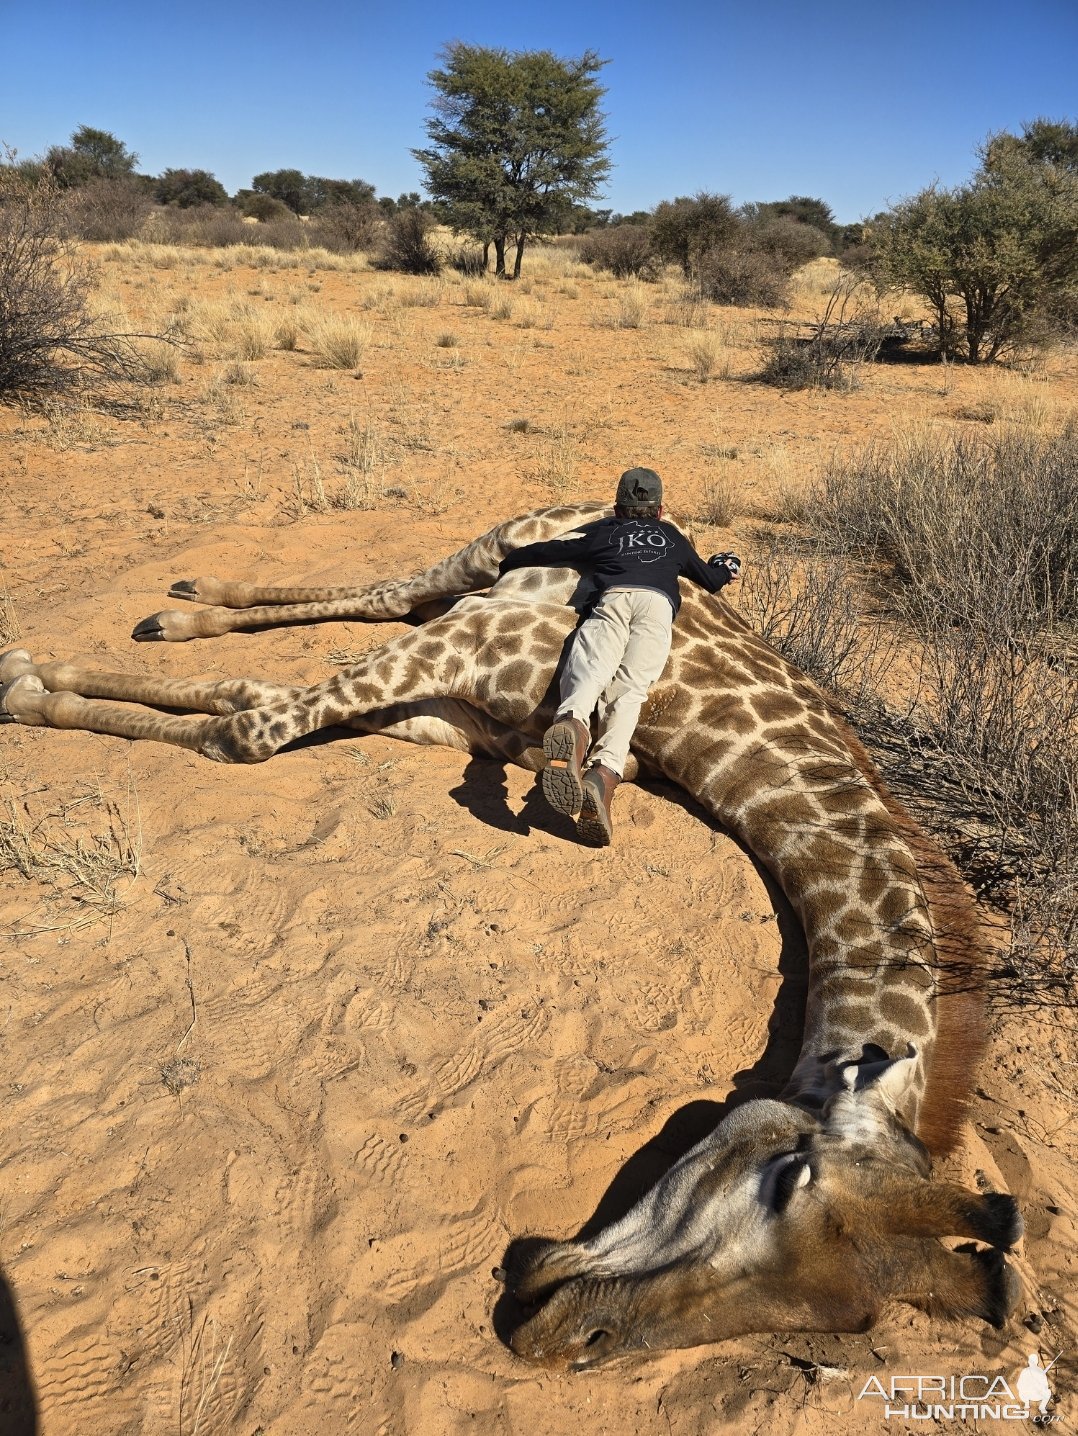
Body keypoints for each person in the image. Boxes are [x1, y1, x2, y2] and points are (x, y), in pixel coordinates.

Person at [498, 467, 741, 844]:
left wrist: (512, 560)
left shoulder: (605, 531)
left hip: (612, 599)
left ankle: (574, 724)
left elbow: (553, 551)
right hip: (657, 607)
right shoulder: (671, 536)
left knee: (590, 668)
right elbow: (709, 581)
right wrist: (726, 564)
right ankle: (605, 774)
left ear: (617, 508)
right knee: (629, 690)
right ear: (660, 511)